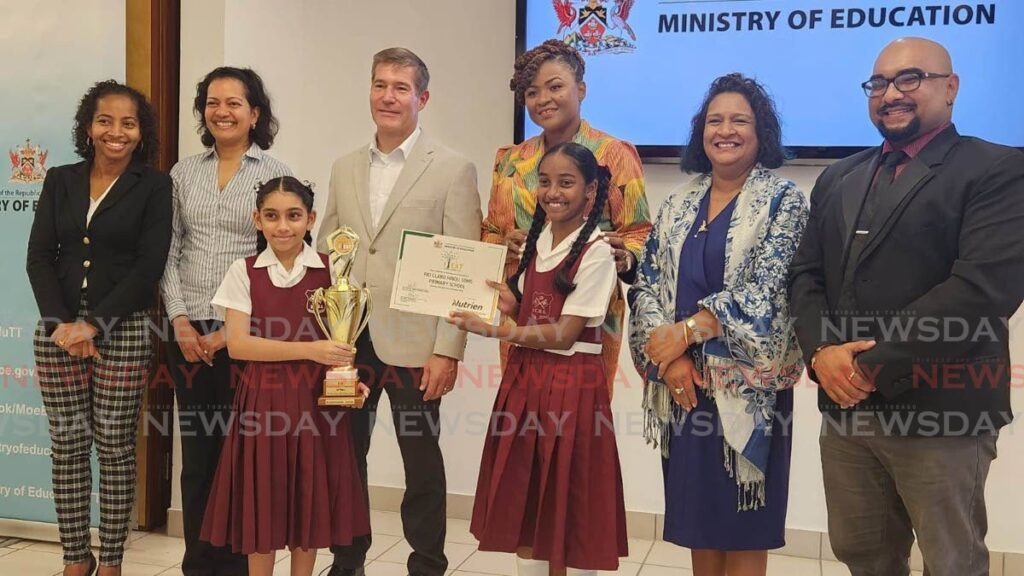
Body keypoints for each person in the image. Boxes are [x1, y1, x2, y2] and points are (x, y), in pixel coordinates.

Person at [788, 37, 1024, 576]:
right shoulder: (838, 176)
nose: (890, 93)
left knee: (952, 562)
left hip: (943, 411)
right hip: (846, 410)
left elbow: (982, 290)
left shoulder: (998, 169)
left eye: (909, 79)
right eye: (878, 84)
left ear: (951, 87)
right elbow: (805, 274)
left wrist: (867, 365)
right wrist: (822, 351)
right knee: (862, 553)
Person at [628, 74, 807, 576]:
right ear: (700, 132)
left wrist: (686, 333)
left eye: (739, 120)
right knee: (698, 522)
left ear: (761, 131)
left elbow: (768, 289)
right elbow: (648, 282)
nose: (725, 130)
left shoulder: (783, 200)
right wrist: (671, 359)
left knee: (746, 524)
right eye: (714, 120)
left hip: (750, 393)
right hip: (684, 386)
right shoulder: (679, 202)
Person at [318, 47, 482, 576]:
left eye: (401, 87)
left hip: (417, 345)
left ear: (422, 98)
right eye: (380, 84)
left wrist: (447, 350)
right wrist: (324, 335)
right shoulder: (344, 167)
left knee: (422, 465)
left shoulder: (453, 168)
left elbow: (464, 268)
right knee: (345, 460)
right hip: (351, 340)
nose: (388, 96)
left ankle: (428, 564)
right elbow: (330, 249)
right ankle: (347, 562)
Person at [450, 142, 627, 574]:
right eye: (544, 182)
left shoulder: (598, 252)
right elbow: (535, 307)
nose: (553, 192)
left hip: (572, 384)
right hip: (527, 377)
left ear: (590, 191)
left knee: (573, 502)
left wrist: (497, 329)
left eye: (566, 182)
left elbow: (566, 335)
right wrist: (507, 302)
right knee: (527, 500)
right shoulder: (540, 239)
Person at [26, 80, 172, 576]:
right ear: (88, 127)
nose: (116, 132)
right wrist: (62, 325)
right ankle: (75, 557)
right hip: (59, 333)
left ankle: (109, 560)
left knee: (112, 446)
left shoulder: (154, 186)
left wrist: (94, 325)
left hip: (123, 328)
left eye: (128, 123)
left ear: (140, 131)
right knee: (67, 445)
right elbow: (40, 257)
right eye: (105, 121)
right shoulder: (60, 179)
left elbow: (148, 267)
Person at [199, 177, 371, 576]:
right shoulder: (243, 272)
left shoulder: (334, 272)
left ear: (310, 219)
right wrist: (310, 350)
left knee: (306, 508)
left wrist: (351, 379)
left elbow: (343, 340)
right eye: (272, 216)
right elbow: (240, 344)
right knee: (263, 505)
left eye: (294, 216)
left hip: (316, 405)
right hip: (262, 403)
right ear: (256, 220)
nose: (283, 227)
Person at [160, 66, 292, 576]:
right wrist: (180, 322)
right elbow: (168, 251)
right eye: (213, 102)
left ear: (254, 113)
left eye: (234, 103)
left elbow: (275, 262)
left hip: (243, 335)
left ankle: (240, 563)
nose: (222, 111)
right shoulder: (182, 173)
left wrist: (227, 331)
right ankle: (199, 563)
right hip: (188, 332)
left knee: (241, 458)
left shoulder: (273, 175)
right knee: (197, 458)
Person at [481, 39, 651, 391]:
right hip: (522, 308)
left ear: (581, 89)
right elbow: (491, 231)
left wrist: (624, 255)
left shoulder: (613, 155)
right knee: (524, 414)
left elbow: (640, 232)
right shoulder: (510, 160)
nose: (544, 99)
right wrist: (502, 244)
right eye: (532, 92)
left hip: (588, 314)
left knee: (578, 422)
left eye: (555, 86)